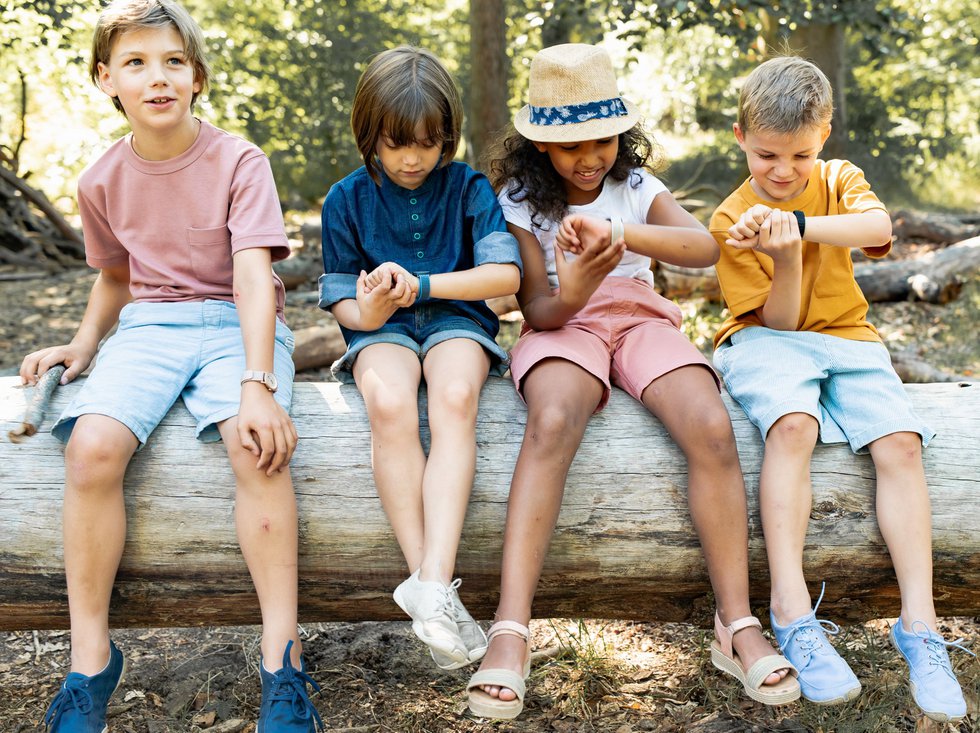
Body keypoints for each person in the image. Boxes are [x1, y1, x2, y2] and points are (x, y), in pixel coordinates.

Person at [465, 43, 800, 720]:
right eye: (570, 146)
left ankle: (735, 623)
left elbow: (705, 248)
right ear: (538, 148)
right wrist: (579, 280)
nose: (589, 157)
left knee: (710, 424)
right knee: (553, 418)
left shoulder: (638, 189)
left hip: (642, 318)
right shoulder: (519, 202)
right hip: (565, 326)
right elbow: (538, 309)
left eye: (603, 140)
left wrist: (623, 232)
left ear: (622, 134)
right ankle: (510, 627)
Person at [19, 1, 322, 731]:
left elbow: (253, 278)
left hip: (235, 321)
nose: (156, 78)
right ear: (105, 79)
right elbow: (119, 278)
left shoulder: (239, 161)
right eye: (135, 63)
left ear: (197, 78)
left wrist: (259, 384)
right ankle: (89, 662)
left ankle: (284, 663)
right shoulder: (99, 179)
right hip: (150, 325)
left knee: (258, 448)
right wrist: (84, 343)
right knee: (90, 447)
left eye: (172, 62)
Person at [709, 56, 973, 723]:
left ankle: (920, 621)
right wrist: (783, 257)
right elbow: (779, 321)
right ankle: (793, 611)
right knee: (793, 427)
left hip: (850, 336)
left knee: (901, 444)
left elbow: (879, 230)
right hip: (764, 339)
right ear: (740, 136)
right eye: (767, 153)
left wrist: (797, 227)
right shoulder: (731, 216)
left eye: (799, 153)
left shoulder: (836, 179)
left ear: (823, 135)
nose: (782, 170)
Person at [318, 46, 522, 672]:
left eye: (429, 144)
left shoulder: (469, 188)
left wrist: (427, 284)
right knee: (388, 402)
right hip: (384, 332)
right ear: (368, 134)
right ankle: (428, 585)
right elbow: (344, 307)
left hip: (458, 319)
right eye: (396, 143)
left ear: (448, 137)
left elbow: (502, 274)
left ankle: (433, 579)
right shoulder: (344, 200)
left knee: (457, 396)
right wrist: (374, 309)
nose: (413, 159)